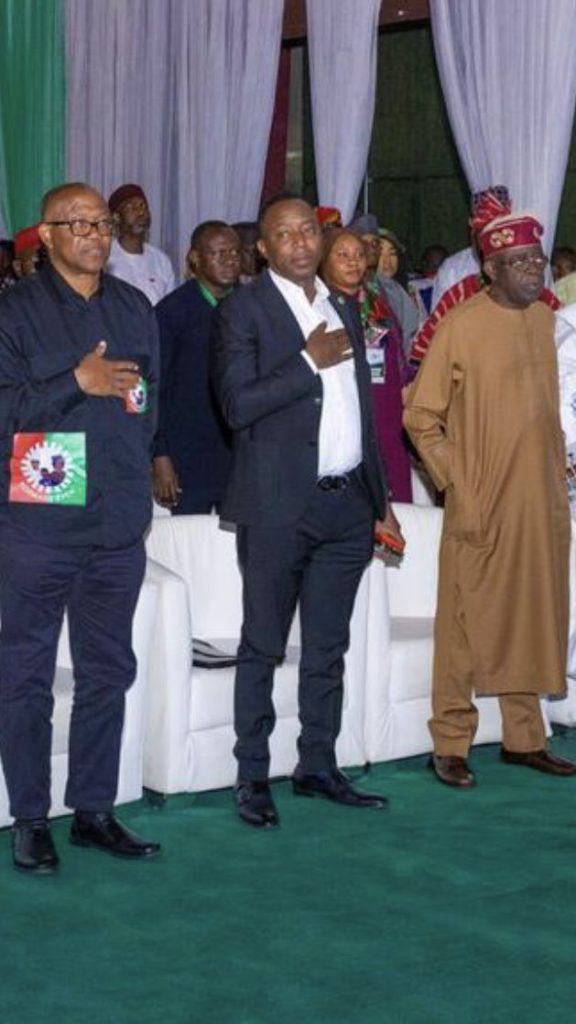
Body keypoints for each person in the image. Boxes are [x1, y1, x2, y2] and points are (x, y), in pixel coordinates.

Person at [212, 196, 403, 828]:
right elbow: (237, 405)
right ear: (263, 248)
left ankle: (317, 764)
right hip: (277, 508)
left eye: (306, 232)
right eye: (284, 234)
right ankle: (251, 774)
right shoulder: (243, 310)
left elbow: (362, 417)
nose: (299, 242)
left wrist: (381, 502)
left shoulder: (342, 306)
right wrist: (305, 363)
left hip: (347, 507)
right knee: (263, 644)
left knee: (328, 645)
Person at [0, 182, 161, 872]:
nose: (96, 234)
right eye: (80, 223)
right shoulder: (15, 311)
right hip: (40, 523)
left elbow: (148, 404)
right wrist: (76, 381)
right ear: (46, 235)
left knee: (108, 671)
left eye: (102, 224)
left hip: (118, 521)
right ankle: (30, 818)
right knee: (26, 674)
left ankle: (94, 809)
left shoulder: (133, 307)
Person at [403, 208, 576, 787]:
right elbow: (419, 415)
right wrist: (456, 478)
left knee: (533, 611)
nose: (532, 270)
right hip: (481, 496)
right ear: (490, 269)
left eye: (537, 259)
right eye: (517, 262)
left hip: (542, 497)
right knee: (464, 619)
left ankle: (525, 738)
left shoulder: (543, 320)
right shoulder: (462, 325)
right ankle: (451, 742)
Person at [321, 228, 413, 501]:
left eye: (359, 255)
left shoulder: (375, 301)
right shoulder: (319, 306)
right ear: (323, 260)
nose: (354, 262)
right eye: (343, 255)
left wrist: (407, 386)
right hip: (349, 418)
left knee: (396, 496)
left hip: (388, 414)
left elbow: (396, 354)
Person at [153, 221, 239, 513]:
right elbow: (155, 388)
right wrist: (160, 455)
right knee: (188, 537)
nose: (230, 259)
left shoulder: (250, 307)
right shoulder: (171, 312)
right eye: (219, 252)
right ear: (195, 258)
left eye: (235, 252)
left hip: (238, 457)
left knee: (238, 538)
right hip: (186, 457)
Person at [106, 183, 175, 305]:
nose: (141, 212)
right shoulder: (105, 258)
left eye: (143, 206)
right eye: (131, 207)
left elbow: (170, 307)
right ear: (116, 217)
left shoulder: (161, 260)